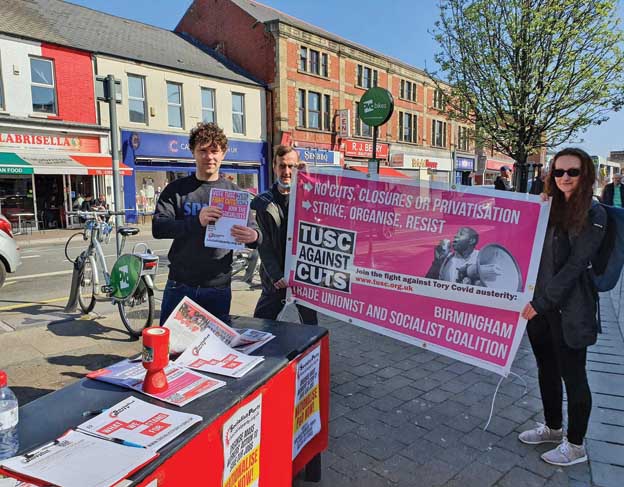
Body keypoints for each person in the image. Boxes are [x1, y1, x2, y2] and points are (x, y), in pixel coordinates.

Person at [520, 147, 606, 466]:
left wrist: (540, 302)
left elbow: (574, 265)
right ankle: (554, 429)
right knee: (547, 370)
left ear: (585, 176)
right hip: (540, 308)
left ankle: (576, 445)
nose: (565, 178)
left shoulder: (593, 213)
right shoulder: (549, 207)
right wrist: (535, 210)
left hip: (571, 310)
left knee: (574, 375)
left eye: (573, 172)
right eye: (558, 172)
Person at [153, 122, 260, 324]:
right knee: (171, 348)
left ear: (223, 153)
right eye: (202, 150)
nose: (209, 156)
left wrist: (254, 237)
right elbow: (158, 227)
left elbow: (253, 232)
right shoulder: (176, 190)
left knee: (215, 348)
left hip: (217, 287)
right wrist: (196, 221)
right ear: (192, 152)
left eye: (214, 151)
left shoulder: (235, 193)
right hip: (180, 284)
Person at [251, 145, 317, 324]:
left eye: (292, 166)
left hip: (303, 279)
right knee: (261, 325)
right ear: (274, 167)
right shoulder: (262, 202)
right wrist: (275, 274)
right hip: (275, 280)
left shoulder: (309, 198)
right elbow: (262, 242)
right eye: (282, 166)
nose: (287, 171)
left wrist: (309, 184)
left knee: (310, 329)